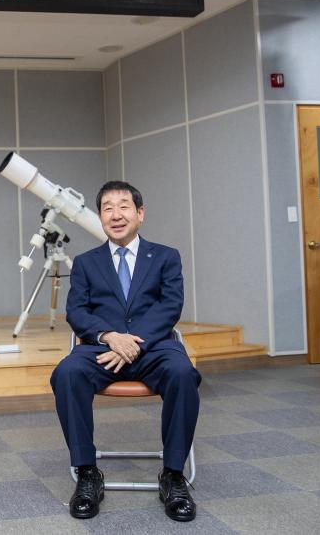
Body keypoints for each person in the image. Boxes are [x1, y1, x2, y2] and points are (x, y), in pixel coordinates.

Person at [50, 180, 201, 521]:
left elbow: (170, 306)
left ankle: (173, 475)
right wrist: (109, 336)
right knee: (67, 373)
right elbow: (77, 311)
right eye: (107, 208)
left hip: (154, 348)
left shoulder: (165, 257)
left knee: (182, 373)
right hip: (101, 349)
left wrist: (131, 341)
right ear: (100, 216)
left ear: (140, 213)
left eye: (123, 206)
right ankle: (87, 473)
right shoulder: (86, 263)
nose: (115, 215)